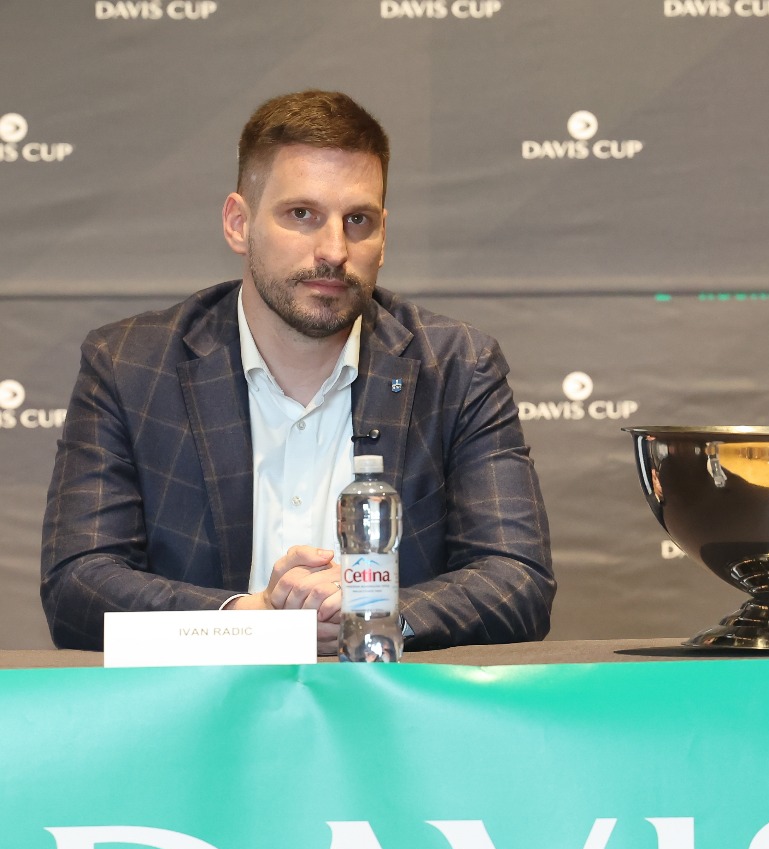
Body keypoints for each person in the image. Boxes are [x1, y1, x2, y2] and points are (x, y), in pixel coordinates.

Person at [41, 90, 555, 653]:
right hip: (204, 701)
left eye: (357, 220)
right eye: (302, 215)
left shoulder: (457, 366)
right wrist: (251, 619)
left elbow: (517, 581)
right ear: (239, 223)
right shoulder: (129, 365)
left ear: (384, 235)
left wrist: (370, 608)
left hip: (388, 700)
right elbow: (77, 585)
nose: (334, 249)